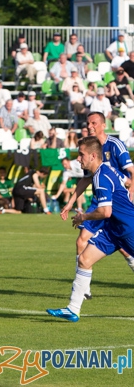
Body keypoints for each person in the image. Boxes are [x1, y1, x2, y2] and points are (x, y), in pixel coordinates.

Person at [47, 136, 134, 322]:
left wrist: (83, 217)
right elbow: (126, 182)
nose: (78, 159)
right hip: (114, 231)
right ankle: (73, 309)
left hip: (128, 229)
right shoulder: (103, 171)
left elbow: (105, 211)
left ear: (93, 156)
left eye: (81, 154)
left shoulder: (102, 177)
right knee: (85, 259)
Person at [60, 112, 134, 297]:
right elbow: (86, 180)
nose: (90, 126)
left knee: (124, 245)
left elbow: (131, 173)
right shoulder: (89, 149)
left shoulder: (114, 145)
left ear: (103, 124)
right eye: (88, 123)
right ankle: (83, 291)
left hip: (118, 204)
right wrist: (69, 203)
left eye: (93, 123)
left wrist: (131, 193)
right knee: (81, 241)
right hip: (99, 204)